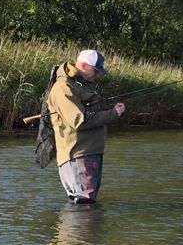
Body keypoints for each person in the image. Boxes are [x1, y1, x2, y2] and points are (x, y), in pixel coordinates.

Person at [47, 49, 126, 204]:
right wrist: (114, 114)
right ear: (82, 65)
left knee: (87, 204)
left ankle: (84, 229)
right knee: (84, 204)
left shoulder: (82, 85)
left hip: (90, 152)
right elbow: (79, 121)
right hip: (77, 154)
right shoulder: (64, 87)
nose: (98, 75)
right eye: (96, 71)